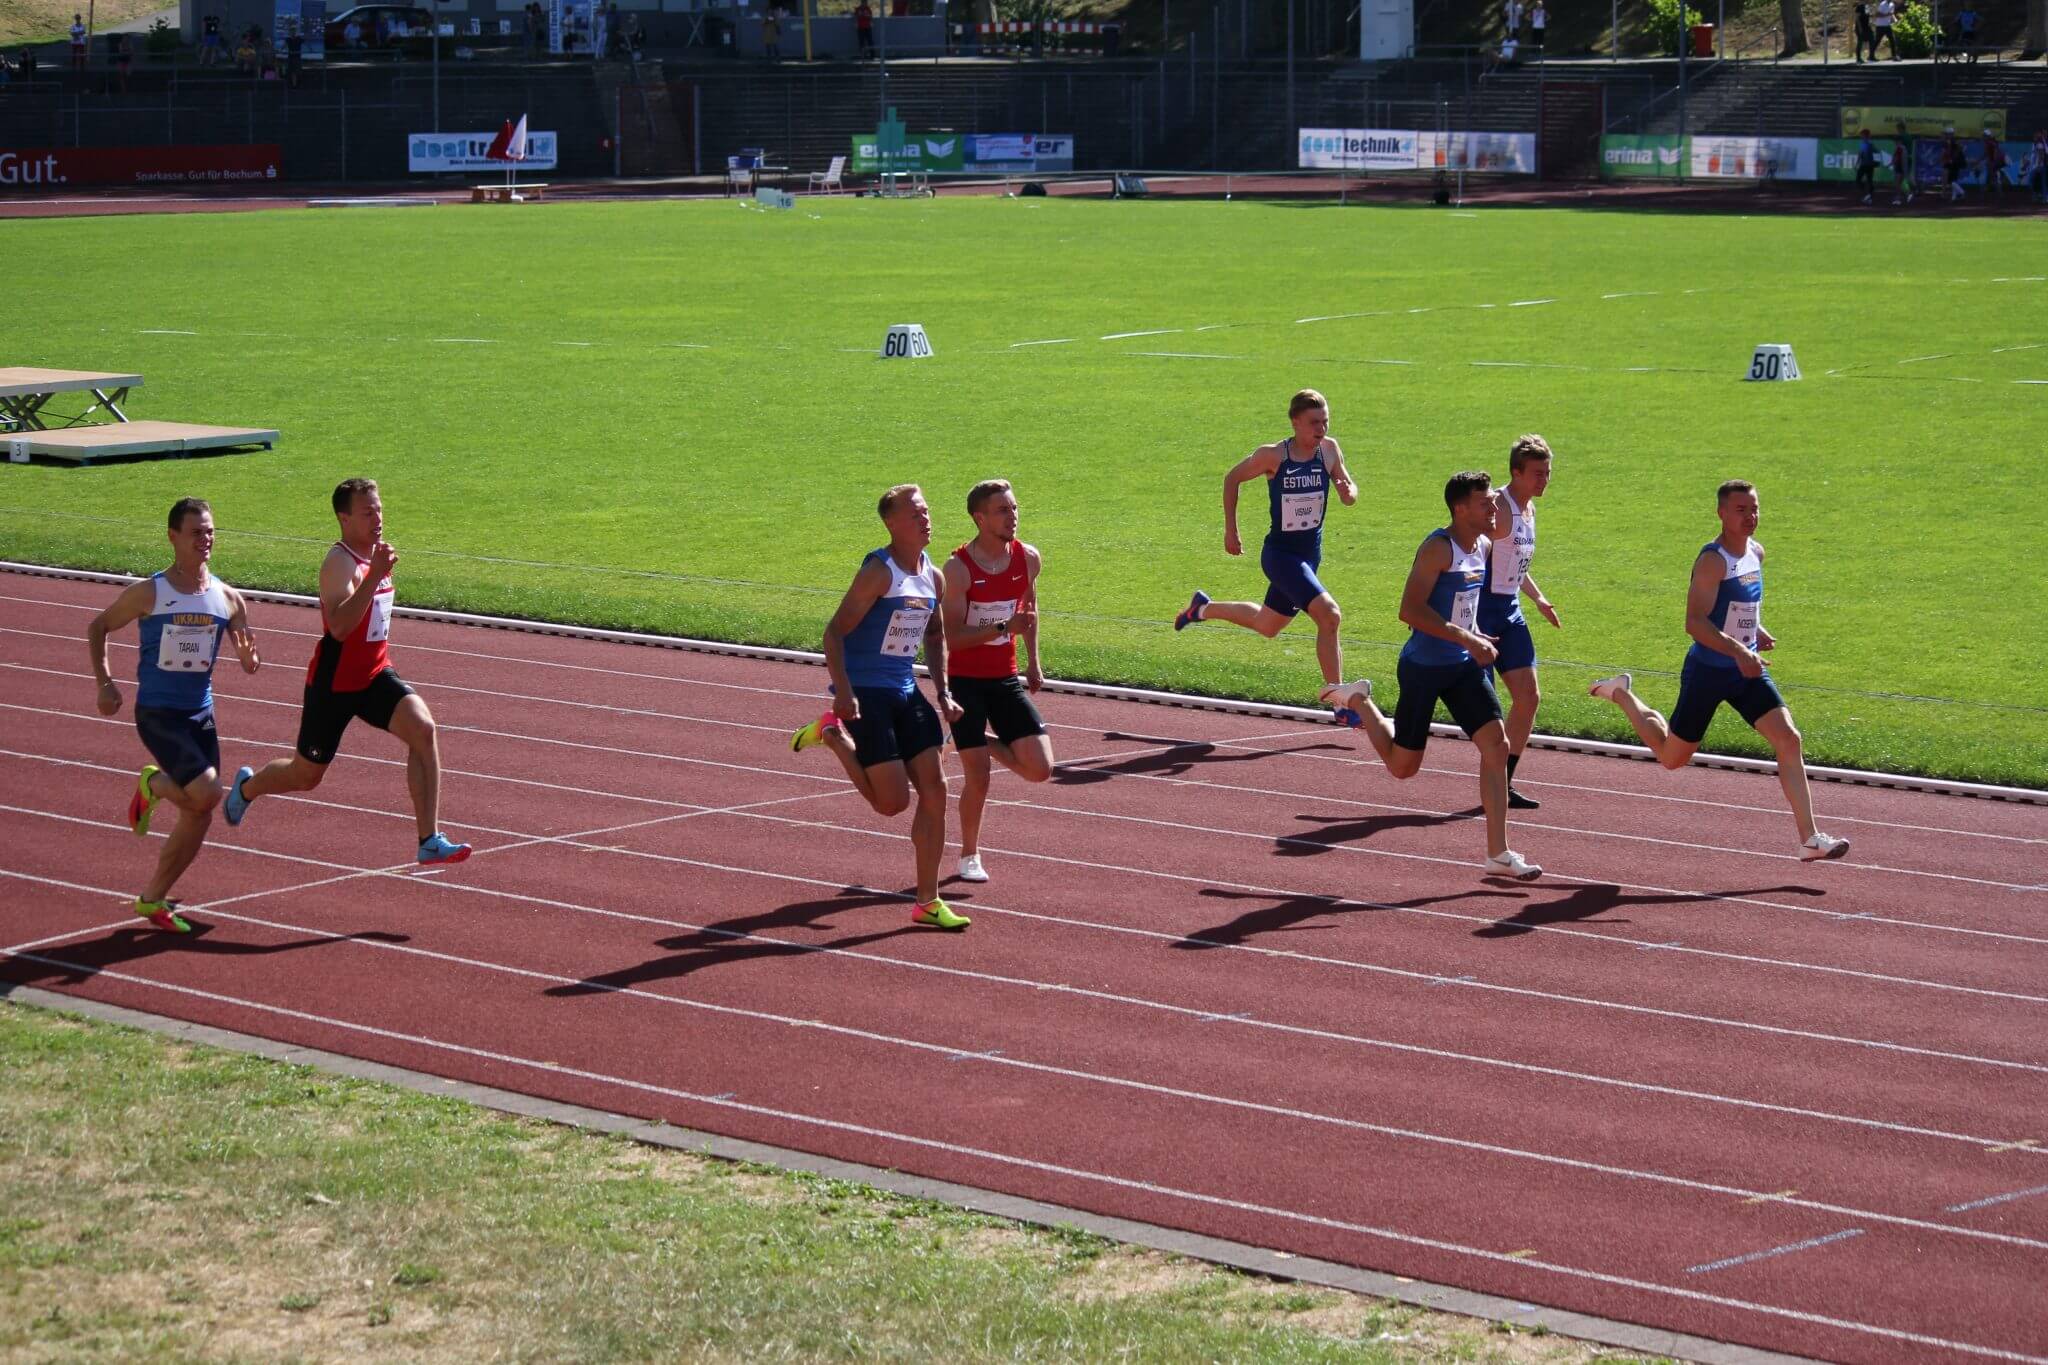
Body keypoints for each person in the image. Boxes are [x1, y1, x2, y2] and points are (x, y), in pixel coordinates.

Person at [1588, 481, 1848, 863]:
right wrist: (1741, 649)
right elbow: (1694, 623)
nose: (1750, 517)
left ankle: (1809, 838)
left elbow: (1739, 606)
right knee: (1671, 758)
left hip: (1746, 670)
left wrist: (1756, 631)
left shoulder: (1756, 552)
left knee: (1789, 739)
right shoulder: (1713, 560)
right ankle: (1622, 693)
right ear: (1721, 514)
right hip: (1709, 671)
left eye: (1754, 508)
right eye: (1740, 510)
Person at [223, 479, 471, 866]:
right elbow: (338, 626)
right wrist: (374, 576)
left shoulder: (378, 555)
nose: (378, 518)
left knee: (423, 729)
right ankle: (249, 787)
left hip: (373, 676)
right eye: (367, 512)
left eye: (380, 509)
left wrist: (377, 572)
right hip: (334, 685)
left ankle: (429, 839)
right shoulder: (339, 562)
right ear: (344, 518)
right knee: (306, 775)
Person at [1326, 470, 1541, 880]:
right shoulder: (1437, 550)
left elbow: (1462, 604)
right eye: (1485, 503)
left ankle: (1498, 854)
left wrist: (1475, 635)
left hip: (1460, 667)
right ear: (1460, 509)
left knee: (1497, 745)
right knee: (1403, 768)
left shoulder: (1481, 544)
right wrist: (1467, 637)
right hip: (1423, 668)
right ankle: (1359, 701)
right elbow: (1409, 610)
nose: (1495, 508)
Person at [789, 485, 969, 929]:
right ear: (891, 523)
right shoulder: (879, 571)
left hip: (906, 691)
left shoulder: (934, 575)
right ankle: (832, 735)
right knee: (891, 803)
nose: (925, 519)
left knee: (936, 790)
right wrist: (843, 692)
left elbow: (934, 636)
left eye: (926, 510)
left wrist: (943, 693)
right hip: (866, 692)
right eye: (915, 514)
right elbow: (834, 632)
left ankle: (927, 902)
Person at [86, 499, 262, 933]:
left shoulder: (227, 598)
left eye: (210, 531)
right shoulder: (151, 592)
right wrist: (105, 683)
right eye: (196, 532)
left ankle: (152, 899)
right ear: (173, 537)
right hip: (158, 712)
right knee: (206, 793)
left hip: (200, 715)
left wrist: (249, 660)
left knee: (200, 811)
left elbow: (250, 658)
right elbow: (98, 626)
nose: (206, 539)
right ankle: (158, 784)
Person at [1174, 388, 1361, 716]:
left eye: (1325, 422)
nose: (1322, 429)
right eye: (1314, 423)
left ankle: (1202, 609)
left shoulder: (1329, 451)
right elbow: (1232, 479)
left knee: (1268, 625)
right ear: (1295, 423)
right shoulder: (1273, 456)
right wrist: (1230, 529)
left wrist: (1349, 492)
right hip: (1280, 556)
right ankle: (1339, 698)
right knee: (1329, 616)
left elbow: (1349, 492)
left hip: (1309, 557)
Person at [941, 479, 1054, 884]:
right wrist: (1002, 626)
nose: (1013, 517)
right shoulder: (957, 569)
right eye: (1003, 510)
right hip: (967, 680)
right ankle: (969, 855)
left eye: (1014, 508)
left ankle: (970, 740)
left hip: (1005, 677)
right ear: (980, 517)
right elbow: (951, 637)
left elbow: (1031, 610)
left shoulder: (1029, 559)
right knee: (979, 778)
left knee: (1040, 768)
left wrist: (1034, 663)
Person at [1480, 435, 1561, 811]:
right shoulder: (1499, 506)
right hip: (1481, 610)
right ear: (1516, 472)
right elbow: (1467, 552)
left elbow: (1516, 563)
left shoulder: (1528, 510)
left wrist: (1539, 598)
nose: (1544, 480)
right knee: (1482, 708)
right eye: (1537, 474)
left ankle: (1504, 783)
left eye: (1547, 473)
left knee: (1528, 698)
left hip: (1510, 610)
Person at [1890, 126, 1916, 205]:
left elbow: (1900, 159)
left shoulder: (1901, 148)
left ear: (1899, 141)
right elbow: (1896, 158)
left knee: (1897, 183)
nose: (1895, 142)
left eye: (1896, 141)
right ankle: (1908, 194)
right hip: (1900, 168)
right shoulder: (1900, 148)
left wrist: (1903, 170)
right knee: (1899, 184)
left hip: (1900, 168)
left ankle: (1898, 198)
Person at [1979, 128, 2006, 199]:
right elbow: (1988, 154)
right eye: (1983, 135)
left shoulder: (1989, 143)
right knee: (1989, 179)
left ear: (1987, 136)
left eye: (1984, 135)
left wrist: (1991, 163)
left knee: (1993, 179)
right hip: (1994, 163)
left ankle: (2000, 194)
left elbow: (1989, 154)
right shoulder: (1991, 142)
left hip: (1992, 164)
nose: (1983, 137)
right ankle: (1984, 194)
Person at [1944, 129, 1969, 201]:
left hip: (1956, 162)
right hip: (1956, 162)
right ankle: (1953, 198)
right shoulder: (1952, 141)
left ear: (1951, 134)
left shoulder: (1952, 141)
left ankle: (1962, 192)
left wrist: (1952, 159)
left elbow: (1958, 150)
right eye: (1946, 134)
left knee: (1951, 181)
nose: (1946, 135)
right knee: (1954, 180)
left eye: (1947, 134)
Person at [1855, 128, 1878, 203]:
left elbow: (1861, 154)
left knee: (1859, 180)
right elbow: (1876, 151)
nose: (1861, 136)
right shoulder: (1869, 143)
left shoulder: (1866, 143)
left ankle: (1868, 195)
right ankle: (1869, 196)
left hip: (1865, 165)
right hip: (1869, 165)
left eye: (1862, 134)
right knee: (1869, 181)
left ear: (1865, 135)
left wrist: (1857, 163)